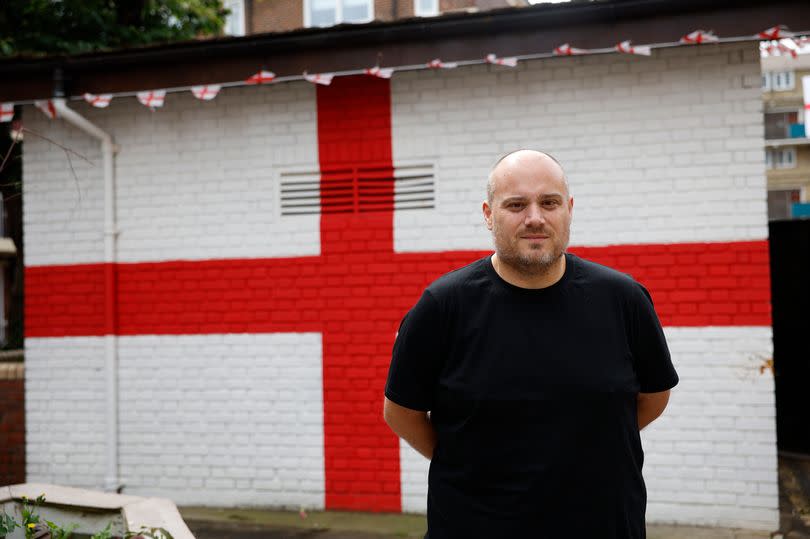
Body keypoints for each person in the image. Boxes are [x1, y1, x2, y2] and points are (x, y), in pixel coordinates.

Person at [383, 149, 678, 539]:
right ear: (488, 214)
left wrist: (584, 445)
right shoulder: (443, 307)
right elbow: (401, 412)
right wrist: (470, 464)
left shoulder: (623, 300)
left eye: (549, 203)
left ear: (568, 209)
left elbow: (653, 397)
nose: (535, 218)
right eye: (516, 205)